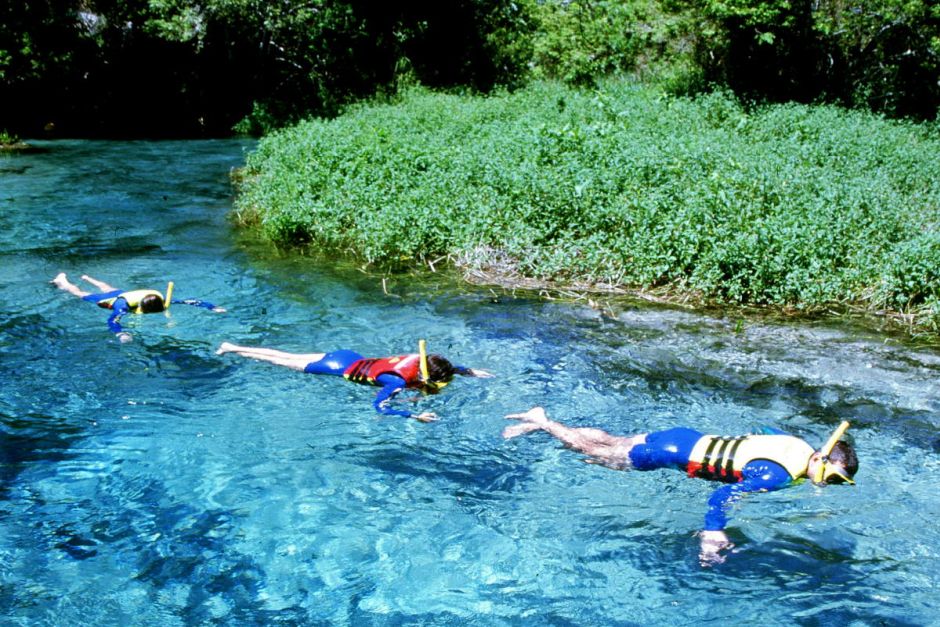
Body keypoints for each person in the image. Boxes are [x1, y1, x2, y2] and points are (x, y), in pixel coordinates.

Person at [503, 407, 858, 565]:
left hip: (683, 436)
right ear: (822, 459)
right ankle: (543, 423)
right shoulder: (779, 475)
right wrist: (713, 533)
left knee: (611, 441)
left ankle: (545, 420)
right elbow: (723, 493)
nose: (827, 485)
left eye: (837, 484)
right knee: (597, 454)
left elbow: (764, 431)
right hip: (671, 455)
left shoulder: (796, 444)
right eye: (831, 478)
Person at [216, 341, 493, 422]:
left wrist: (469, 371)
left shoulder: (422, 363)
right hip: (335, 367)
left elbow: (448, 368)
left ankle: (232, 346)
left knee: (284, 354)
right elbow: (380, 407)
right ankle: (233, 348)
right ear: (424, 377)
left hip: (349, 354)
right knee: (280, 359)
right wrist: (413, 415)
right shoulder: (396, 381)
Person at [52, 272, 225, 342]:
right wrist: (120, 333)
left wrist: (212, 307)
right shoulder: (122, 306)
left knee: (109, 287)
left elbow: (190, 301)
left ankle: (88, 277)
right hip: (115, 299)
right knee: (80, 294)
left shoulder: (162, 301)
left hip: (127, 293)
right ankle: (63, 281)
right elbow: (113, 319)